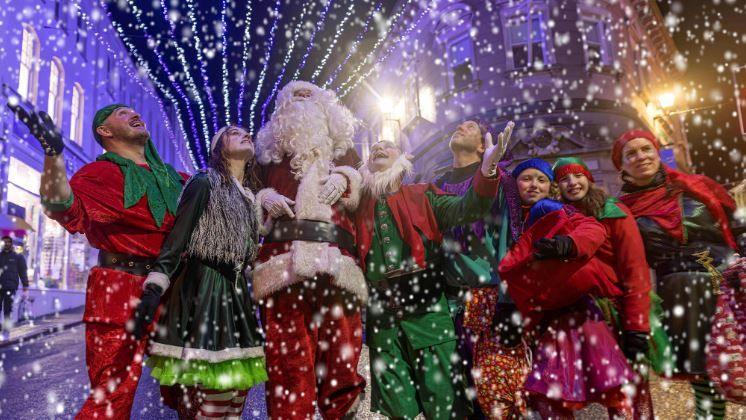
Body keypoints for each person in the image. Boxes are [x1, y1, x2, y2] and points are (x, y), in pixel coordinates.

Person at [8, 102, 187, 419]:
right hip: (120, 289)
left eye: (135, 109)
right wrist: (53, 156)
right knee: (111, 397)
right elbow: (64, 206)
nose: (134, 113)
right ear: (104, 131)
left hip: (174, 290)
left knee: (194, 388)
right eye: (121, 112)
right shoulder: (99, 174)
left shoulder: (175, 179)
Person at [354, 122, 509, 419]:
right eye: (374, 147)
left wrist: (487, 171)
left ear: (402, 157)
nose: (378, 148)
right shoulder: (357, 204)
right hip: (382, 316)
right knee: (397, 406)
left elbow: (469, 208)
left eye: (387, 145)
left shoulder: (424, 194)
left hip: (427, 307)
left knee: (445, 403)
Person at [131, 125, 267, 418]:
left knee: (235, 394)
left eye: (247, 132)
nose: (245, 135)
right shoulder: (204, 183)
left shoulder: (249, 198)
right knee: (209, 392)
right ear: (219, 148)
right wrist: (155, 285)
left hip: (236, 296)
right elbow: (177, 238)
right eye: (233, 133)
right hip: (206, 291)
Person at [253, 80, 367, 418]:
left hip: (336, 262)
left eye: (310, 94)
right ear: (282, 109)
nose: (303, 99)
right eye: (294, 95)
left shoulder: (343, 148)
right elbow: (247, 194)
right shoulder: (267, 154)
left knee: (342, 359)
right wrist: (264, 198)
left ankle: (342, 411)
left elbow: (367, 190)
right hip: (283, 265)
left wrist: (346, 178)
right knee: (289, 363)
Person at [613, 129, 745, 419]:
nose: (641, 157)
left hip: (730, 281)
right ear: (621, 165)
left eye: (646, 149)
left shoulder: (698, 186)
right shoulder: (621, 211)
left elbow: (738, 226)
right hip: (681, 294)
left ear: (657, 151)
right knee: (704, 374)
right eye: (631, 154)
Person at [498, 158, 634, 419]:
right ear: (514, 185)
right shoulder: (506, 218)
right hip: (540, 316)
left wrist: (569, 244)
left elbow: (591, 229)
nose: (534, 185)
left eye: (541, 179)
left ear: (551, 187)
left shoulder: (551, 208)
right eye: (526, 178)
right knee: (552, 397)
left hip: (577, 310)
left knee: (609, 386)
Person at [435, 120, 528, 419]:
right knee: (457, 396)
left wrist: (509, 300)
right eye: (458, 125)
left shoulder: (501, 182)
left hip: (490, 302)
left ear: (482, 144)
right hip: (447, 305)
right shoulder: (435, 186)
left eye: (470, 126)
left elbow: (510, 239)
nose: (460, 127)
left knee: (496, 397)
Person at [553, 156, 656, 418]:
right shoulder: (555, 218)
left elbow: (635, 269)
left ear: (588, 177)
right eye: (564, 178)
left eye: (577, 175)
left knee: (629, 397)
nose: (572, 183)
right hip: (578, 319)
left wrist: (637, 326)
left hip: (616, 315)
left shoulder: (613, 211)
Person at [0, 235, 29, 339]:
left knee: (7, 310)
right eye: (4, 242)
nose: (6, 243)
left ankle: (6, 332)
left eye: (8, 242)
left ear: (11, 244)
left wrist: (25, 286)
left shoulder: (18, 256)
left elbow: (23, 272)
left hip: (10, 287)